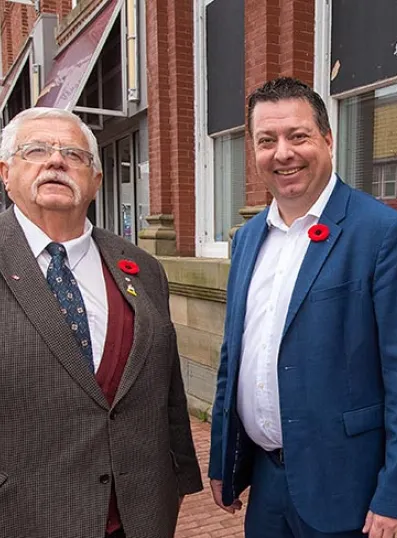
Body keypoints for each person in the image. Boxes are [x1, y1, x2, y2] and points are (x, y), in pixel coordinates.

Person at [208, 77, 397, 538]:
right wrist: (225, 459)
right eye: (266, 141)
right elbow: (233, 357)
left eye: (298, 136)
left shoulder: (384, 234)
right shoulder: (247, 240)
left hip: (348, 487)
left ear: (328, 140)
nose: (283, 153)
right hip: (268, 482)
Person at [0, 107, 203, 538]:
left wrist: (180, 477)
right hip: (26, 514)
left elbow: (167, 388)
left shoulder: (143, 269)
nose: (56, 161)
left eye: (74, 155)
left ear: (96, 180)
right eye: (36, 149)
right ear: (5, 171)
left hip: (140, 516)